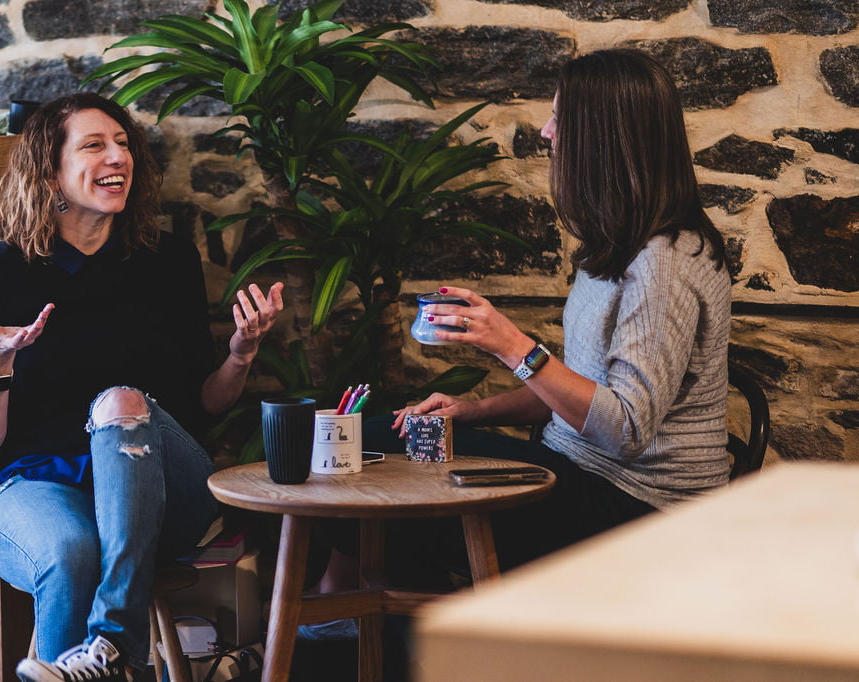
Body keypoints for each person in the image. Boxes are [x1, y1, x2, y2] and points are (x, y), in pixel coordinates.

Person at [304, 47, 732, 635]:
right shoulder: (615, 244)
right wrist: (472, 411)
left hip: (636, 507)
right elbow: (577, 388)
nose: (547, 131)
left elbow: (626, 429)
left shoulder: (663, 263)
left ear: (601, 136)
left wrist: (513, 346)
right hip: (577, 469)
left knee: (383, 484)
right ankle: (385, 622)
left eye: (560, 117)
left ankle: (386, 631)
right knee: (369, 438)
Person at [0, 92, 284, 682]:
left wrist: (239, 354)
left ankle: (109, 644)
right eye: (95, 145)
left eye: (123, 143)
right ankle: (92, 666)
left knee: (120, 403)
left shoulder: (167, 261)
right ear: (50, 169)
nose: (118, 156)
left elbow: (204, 405)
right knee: (71, 552)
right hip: (41, 486)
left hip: (161, 491)